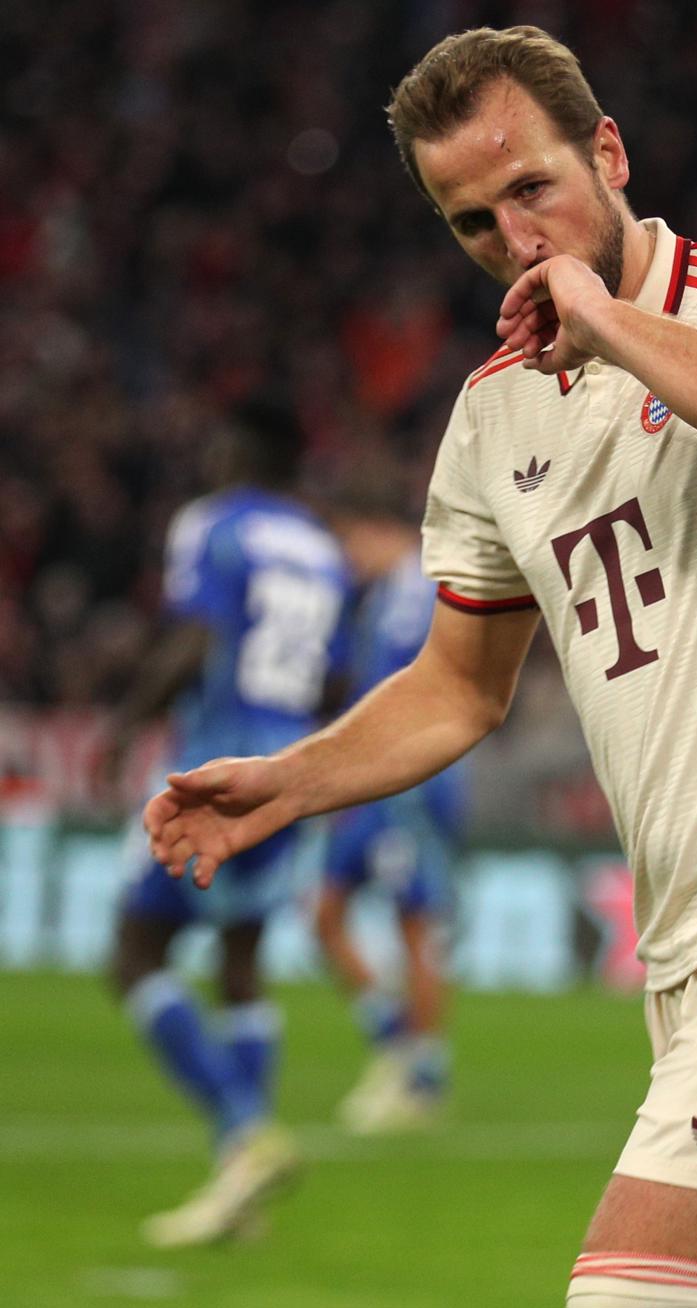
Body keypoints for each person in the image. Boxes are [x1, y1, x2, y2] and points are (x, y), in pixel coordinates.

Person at [142, 26, 697, 1308]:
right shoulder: (493, 419)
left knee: (631, 1289)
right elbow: (461, 684)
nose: (513, 238)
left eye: (532, 188)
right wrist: (292, 782)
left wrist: (604, 316)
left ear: (609, 152)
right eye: (471, 221)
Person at [102, 401, 350, 1247]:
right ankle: (239, 1189)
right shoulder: (322, 550)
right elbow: (334, 677)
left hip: (215, 767)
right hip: (293, 770)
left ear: (243, 448)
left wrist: (125, 723)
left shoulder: (214, 525)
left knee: (135, 955)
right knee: (240, 964)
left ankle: (244, 1134)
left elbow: (194, 638)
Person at [314, 475, 467, 1134]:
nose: (347, 559)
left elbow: (417, 689)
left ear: (374, 530)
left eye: (349, 543)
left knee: (414, 928)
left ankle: (420, 1077)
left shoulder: (416, 584)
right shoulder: (386, 593)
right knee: (325, 913)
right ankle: (395, 1047)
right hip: (373, 779)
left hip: (406, 781)